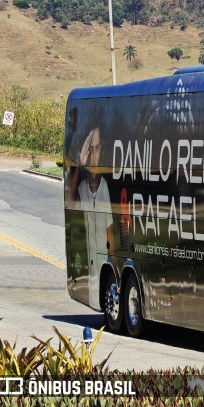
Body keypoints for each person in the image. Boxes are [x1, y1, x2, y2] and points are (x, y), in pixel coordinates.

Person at [69, 124, 114, 310]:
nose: (94, 156)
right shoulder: (81, 189)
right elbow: (70, 201)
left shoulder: (107, 188)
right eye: (90, 150)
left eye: (97, 149)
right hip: (90, 265)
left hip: (104, 267)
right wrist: (78, 164)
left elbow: (110, 230)